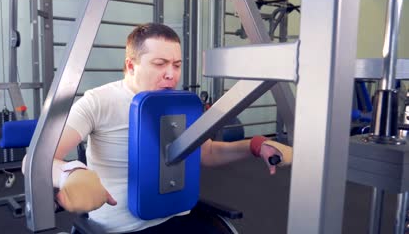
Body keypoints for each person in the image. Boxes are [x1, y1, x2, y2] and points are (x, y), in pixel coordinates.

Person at [26, 23, 293, 233]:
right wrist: (68, 174)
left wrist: (254, 145)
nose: (171, 74)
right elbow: (35, 160)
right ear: (131, 65)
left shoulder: (181, 104)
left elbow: (206, 152)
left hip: (178, 220)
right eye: (160, 64)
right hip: (121, 228)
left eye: (176, 65)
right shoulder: (99, 101)